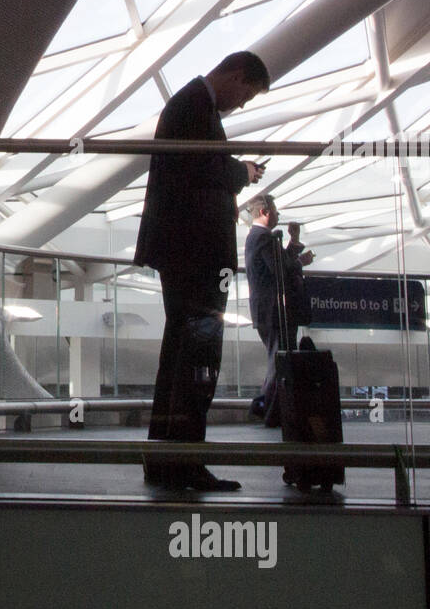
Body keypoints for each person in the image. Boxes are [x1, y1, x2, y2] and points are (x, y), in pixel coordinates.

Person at [134, 51, 270, 490]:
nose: (243, 103)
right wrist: (241, 171)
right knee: (197, 360)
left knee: (180, 357)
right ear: (235, 75)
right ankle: (185, 462)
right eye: (247, 93)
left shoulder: (191, 104)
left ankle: (167, 459)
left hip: (184, 254)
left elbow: (194, 170)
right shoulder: (195, 104)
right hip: (196, 256)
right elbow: (202, 167)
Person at [244, 195, 314, 424]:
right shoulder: (264, 237)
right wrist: (301, 262)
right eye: (275, 210)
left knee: (277, 358)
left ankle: (269, 406)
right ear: (265, 212)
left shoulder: (257, 237)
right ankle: (269, 409)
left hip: (266, 310)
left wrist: (293, 243)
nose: (278, 215)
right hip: (274, 310)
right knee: (280, 358)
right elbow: (280, 268)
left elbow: (279, 262)